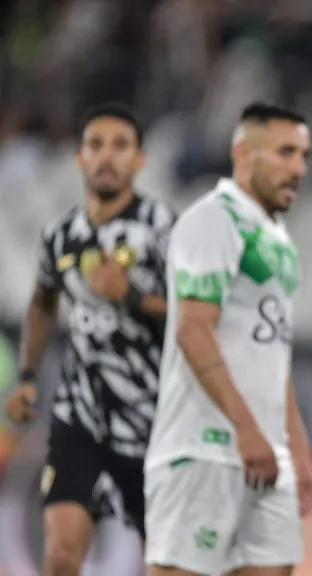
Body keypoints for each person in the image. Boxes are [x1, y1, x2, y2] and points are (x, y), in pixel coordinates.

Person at [143, 102, 312, 576]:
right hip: (203, 451)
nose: (298, 168)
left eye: (303, 155)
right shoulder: (213, 220)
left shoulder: (277, 240)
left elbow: (270, 355)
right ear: (244, 153)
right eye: (284, 153)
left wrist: (296, 450)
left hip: (264, 454)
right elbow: (193, 330)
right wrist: (246, 430)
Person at [3, 103, 175, 576]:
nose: (106, 157)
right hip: (79, 417)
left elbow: (199, 317)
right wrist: (28, 376)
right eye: (96, 145)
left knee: (169, 563)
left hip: (151, 420)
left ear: (139, 160)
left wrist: (134, 297)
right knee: (60, 555)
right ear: (79, 158)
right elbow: (41, 303)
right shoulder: (61, 236)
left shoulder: (165, 231)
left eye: (120, 146)